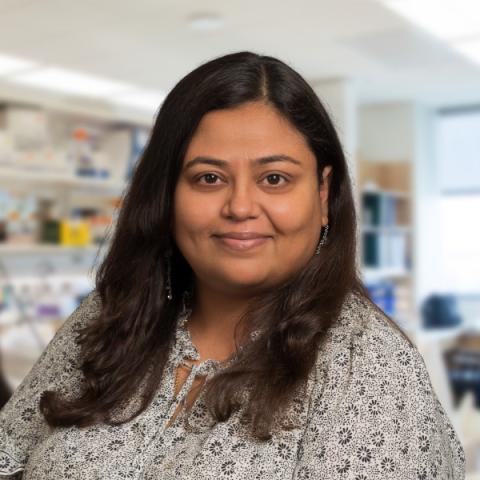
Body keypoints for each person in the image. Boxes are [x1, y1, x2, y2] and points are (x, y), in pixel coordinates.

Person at [0, 51, 465, 479]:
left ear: (323, 194)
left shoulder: (368, 369)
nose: (240, 206)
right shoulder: (115, 315)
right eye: (209, 178)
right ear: (168, 195)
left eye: (275, 178)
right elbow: (9, 452)